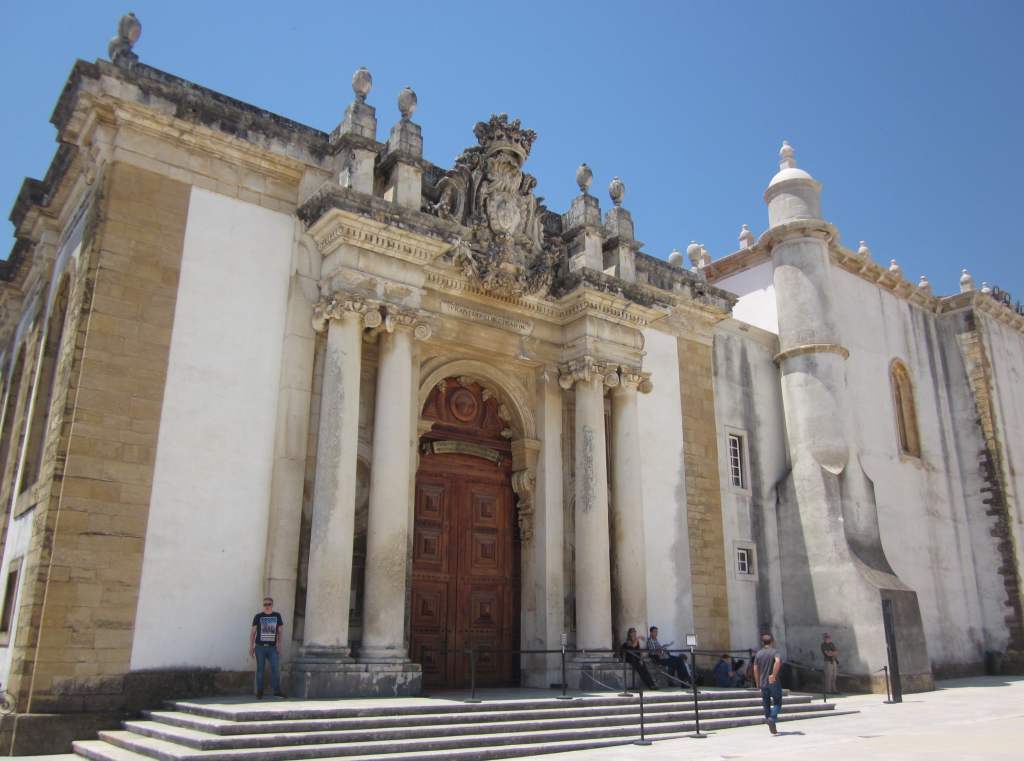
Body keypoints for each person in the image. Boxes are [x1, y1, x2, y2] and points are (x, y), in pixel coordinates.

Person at [249, 596, 285, 698]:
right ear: (263, 605)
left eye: (269, 604)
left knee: (275, 669)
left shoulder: (277, 616)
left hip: (272, 648)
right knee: (260, 670)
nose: (267, 606)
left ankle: (277, 691)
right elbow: (252, 633)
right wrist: (251, 647)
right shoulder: (258, 617)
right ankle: (259, 691)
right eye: (265, 604)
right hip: (260, 647)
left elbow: (280, 632)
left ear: (272, 605)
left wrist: (279, 645)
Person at [753, 633, 783, 734]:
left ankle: (768, 719)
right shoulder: (775, 652)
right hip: (773, 681)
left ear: (762, 642)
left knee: (766, 702)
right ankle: (772, 719)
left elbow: (755, 668)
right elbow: (778, 661)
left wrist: (757, 682)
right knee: (777, 702)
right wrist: (773, 675)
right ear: (772, 642)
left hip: (763, 682)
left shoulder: (759, 654)